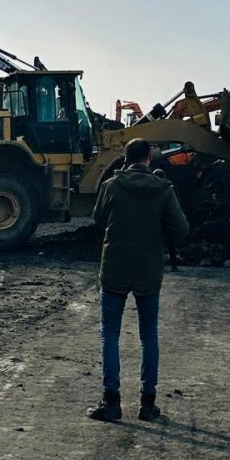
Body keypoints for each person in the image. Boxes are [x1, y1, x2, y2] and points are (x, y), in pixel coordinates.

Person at [89, 138, 189, 422]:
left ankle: (111, 402)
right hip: (148, 270)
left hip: (114, 269)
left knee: (110, 334)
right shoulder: (163, 190)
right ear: (149, 159)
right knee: (148, 336)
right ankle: (147, 404)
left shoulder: (111, 186)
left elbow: (98, 219)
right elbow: (182, 228)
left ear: (126, 158)